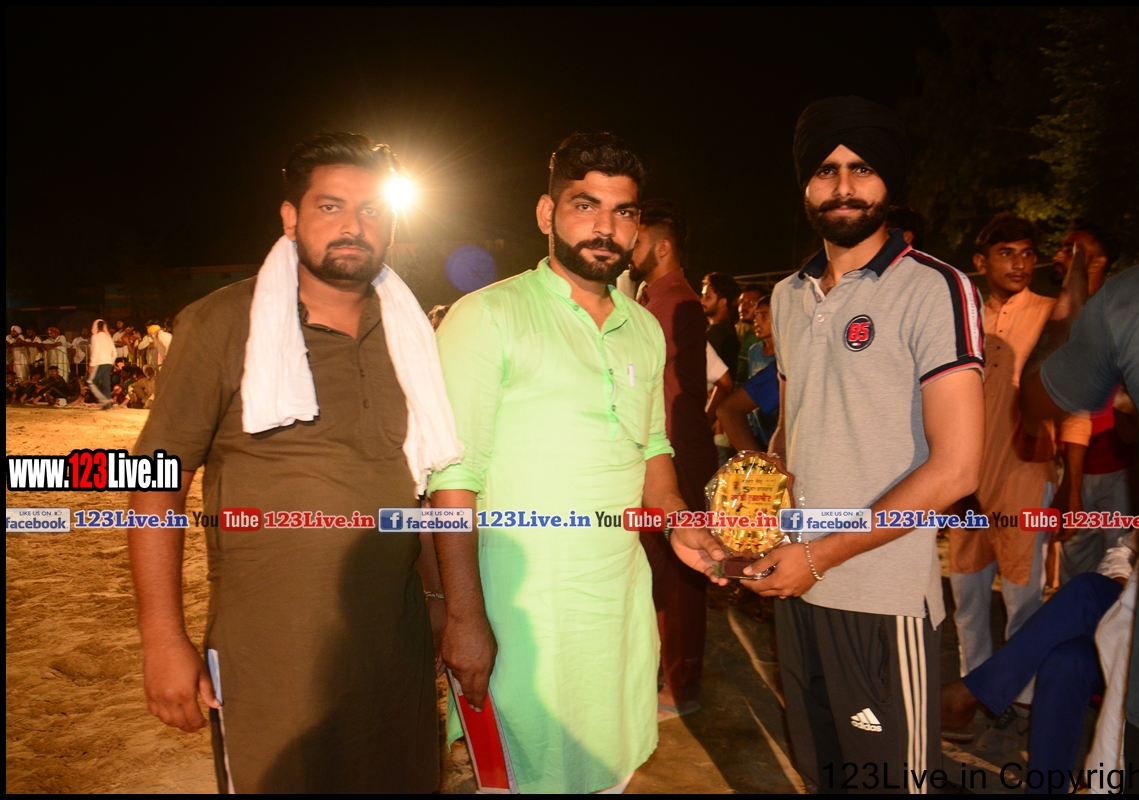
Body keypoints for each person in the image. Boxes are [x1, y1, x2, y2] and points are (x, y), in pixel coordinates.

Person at [126, 132, 462, 793]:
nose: (353, 226)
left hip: (393, 645)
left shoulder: (410, 335)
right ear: (290, 218)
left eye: (371, 210)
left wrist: (439, 600)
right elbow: (156, 483)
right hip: (269, 657)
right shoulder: (224, 324)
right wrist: (162, 639)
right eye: (330, 207)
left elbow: (420, 481)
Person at [686, 96, 987, 791]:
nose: (844, 185)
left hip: (881, 595)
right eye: (826, 169)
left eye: (862, 168)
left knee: (892, 781)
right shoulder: (788, 297)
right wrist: (752, 521)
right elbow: (794, 431)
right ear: (805, 183)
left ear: (889, 183)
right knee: (823, 773)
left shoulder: (934, 289)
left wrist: (818, 556)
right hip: (797, 588)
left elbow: (956, 468)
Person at [429, 132, 724, 793]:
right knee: (527, 775)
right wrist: (464, 617)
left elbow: (652, 448)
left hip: (619, 608)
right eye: (585, 205)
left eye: (623, 212)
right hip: (523, 618)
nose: (605, 227)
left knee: (611, 770)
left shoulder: (642, 328)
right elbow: (452, 480)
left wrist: (680, 522)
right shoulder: (487, 317)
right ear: (547, 213)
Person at [1020, 233, 1139, 783]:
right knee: (1072, 644)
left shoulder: (1138, 302)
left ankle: (975, 695)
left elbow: (1045, 400)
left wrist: (1067, 317)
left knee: (1086, 616)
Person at [949, 214, 1092, 714]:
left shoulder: (1052, 314)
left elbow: (1075, 405)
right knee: (967, 594)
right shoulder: (963, 318)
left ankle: (1022, 699)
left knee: (1022, 598)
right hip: (966, 482)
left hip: (1025, 476)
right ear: (981, 261)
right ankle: (972, 692)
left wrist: (1071, 489)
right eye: (1006, 253)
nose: (1019, 263)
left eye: (1027, 253)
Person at [942, 535, 1137, 791]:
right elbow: (1124, 550)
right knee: (1065, 661)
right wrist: (1124, 585)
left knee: (1086, 591)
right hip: (1129, 631)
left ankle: (971, 693)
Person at [628, 197, 717, 719]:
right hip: (658, 449)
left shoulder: (676, 301)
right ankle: (665, 673)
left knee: (684, 573)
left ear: (661, 247)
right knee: (657, 568)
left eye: (638, 239)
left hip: (677, 451)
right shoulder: (650, 299)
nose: (628, 246)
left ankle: (682, 686)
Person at [1047, 221, 1138, 581]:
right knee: (1076, 577)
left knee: (1120, 567)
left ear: (1097, 262)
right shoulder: (1058, 317)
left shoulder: (1118, 315)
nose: (1058, 254)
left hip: (1118, 466)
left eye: (1070, 249)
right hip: (1071, 465)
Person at [715, 296, 778, 452]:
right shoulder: (755, 350)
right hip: (758, 427)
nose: (757, 320)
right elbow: (732, 407)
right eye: (756, 315)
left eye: (764, 315)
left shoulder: (784, 358)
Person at [700, 271, 741, 374]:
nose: (702, 301)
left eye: (708, 297)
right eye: (703, 296)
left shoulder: (716, 333)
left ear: (722, 302)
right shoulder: (728, 329)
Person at [733, 283, 769, 384]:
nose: (744, 306)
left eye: (751, 302)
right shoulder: (747, 335)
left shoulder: (768, 341)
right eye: (741, 302)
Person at [86, 319, 116, 409]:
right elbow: (115, 352)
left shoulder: (95, 337)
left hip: (100, 362)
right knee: (106, 383)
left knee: (91, 381)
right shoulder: (108, 337)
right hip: (108, 362)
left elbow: (95, 350)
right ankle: (107, 406)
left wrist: (92, 364)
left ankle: (104, 400)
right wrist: (111, 361)